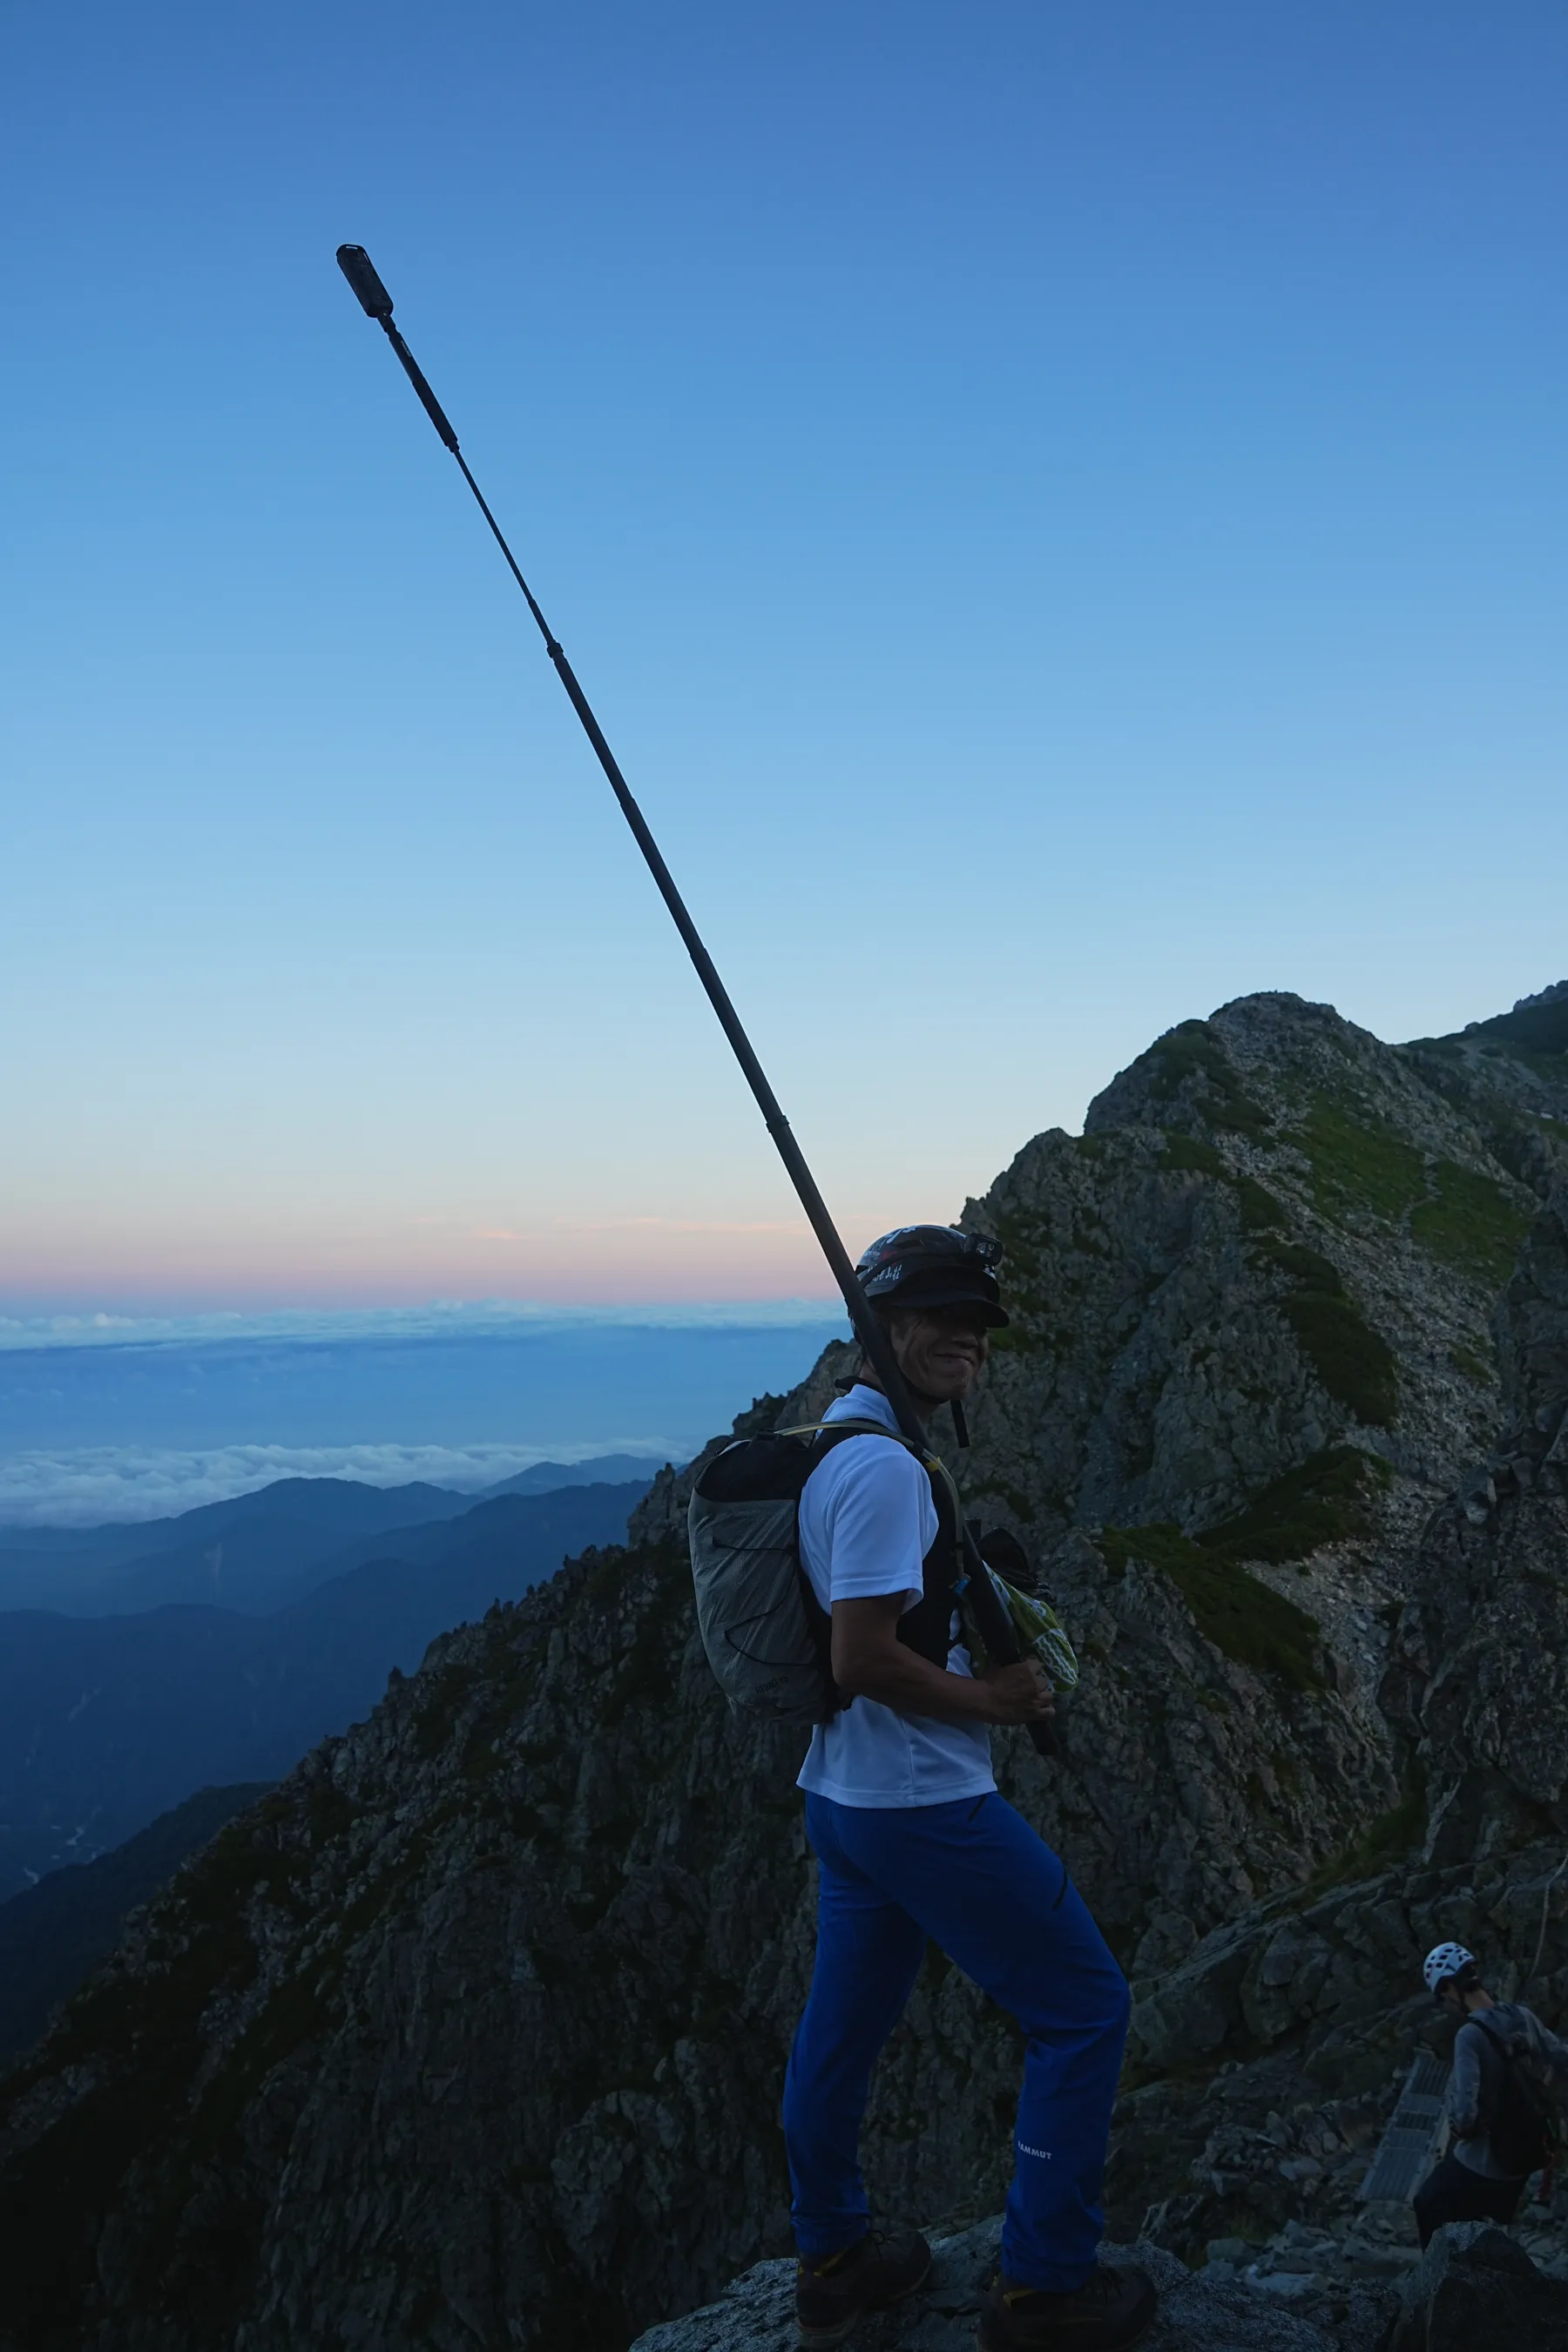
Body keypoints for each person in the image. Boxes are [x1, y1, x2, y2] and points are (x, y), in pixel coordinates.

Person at [782, 1226, 1156, 2352]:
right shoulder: (890, 1471)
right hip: (921, 1808)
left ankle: (836, 2257)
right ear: (880, 1330)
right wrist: (995, 1702)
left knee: (841, 2030)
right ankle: (1043, 2287)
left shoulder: (836, 1447)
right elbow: (859, 1656)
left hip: (843, 1801)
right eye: (940, 1316)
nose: (967, 1340)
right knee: (1085, 2008)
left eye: (978, 1322)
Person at [1414, 1942, 1568, 2248]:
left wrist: (1458, 2126)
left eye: (1442, 1997)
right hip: (1533, 2152)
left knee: (1427, 2204)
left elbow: (1466, 2116)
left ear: (1448, 1989)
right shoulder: (1522, 2016)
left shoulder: (1469, 2036)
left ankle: (1436, 2285)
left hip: (1488, 2163)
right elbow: (1560, 2056)